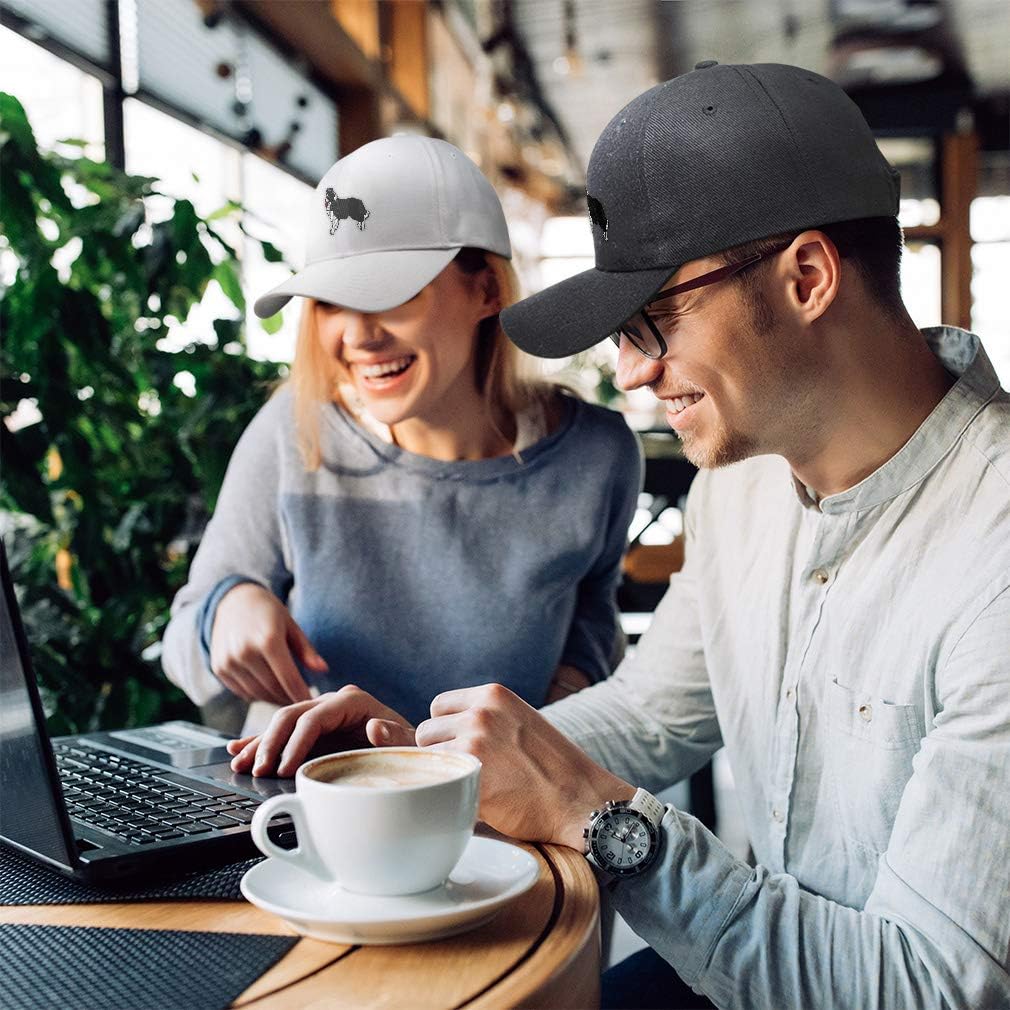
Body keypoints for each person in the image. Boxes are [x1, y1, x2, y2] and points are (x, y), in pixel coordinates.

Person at [232, 64, 1010, 1009]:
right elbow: (653, 712)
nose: (633, 374)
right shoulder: (748, 478)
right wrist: (424, 769)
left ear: (808, 278)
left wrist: (599, 822)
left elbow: (930, 989)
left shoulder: (992, 553)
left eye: (654, 320)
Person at [161, 135, 642, 752]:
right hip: (308, 805)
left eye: (392, 293)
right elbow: (184, 640)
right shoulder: (292, 431)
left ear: (487, 292)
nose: (358, 335)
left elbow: (593, 624)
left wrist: (543, 729)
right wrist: (227, 609)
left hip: (495, 811)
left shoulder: (595, 457)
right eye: (330, 302)